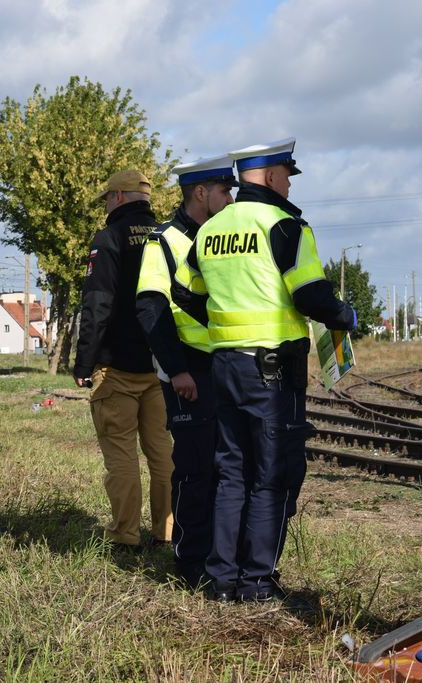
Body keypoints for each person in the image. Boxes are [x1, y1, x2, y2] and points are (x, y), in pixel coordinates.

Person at [185, 138, 356, 602]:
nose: (287, 183)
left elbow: (187, 292)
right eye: (285, 174)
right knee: (272, 475)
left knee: (231, 472)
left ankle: (221, 581)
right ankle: (257, 584)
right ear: (272, 176)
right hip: (272, 372)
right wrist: (345, 316)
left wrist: (224, 326)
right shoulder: (285, 226)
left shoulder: (211, 231)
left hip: (224, 366)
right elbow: (311, 296)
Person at [135, 155, 236, 586]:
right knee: (196, 469)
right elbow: (150, 306)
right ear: (201, 193)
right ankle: (190, 563)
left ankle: (221, 558)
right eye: (224, 191)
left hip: (223, 366)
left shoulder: (220, 237)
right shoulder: (164, 240)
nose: (230, 199)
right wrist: (176, 370)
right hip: (188, 370)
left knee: (224, 467)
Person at [73, 169, 174, 552]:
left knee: (121, 456)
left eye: (107, 199)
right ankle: (166, 533)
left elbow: (96, 305)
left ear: (117, 196)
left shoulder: (109, 238)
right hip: (160, 366)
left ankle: (125, 537)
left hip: (116, 367)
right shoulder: (167, 236)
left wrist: (84, 363)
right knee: (162, 453)